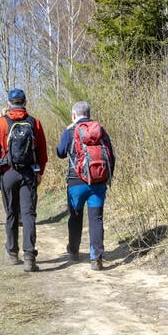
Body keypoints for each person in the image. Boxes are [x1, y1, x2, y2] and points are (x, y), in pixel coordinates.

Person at [0, 88, 48, 272]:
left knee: (11, 213)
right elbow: (42, 152)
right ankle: (29, 257)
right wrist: (40, 172)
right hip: (28, 173)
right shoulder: (35, 123)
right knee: (28, 215)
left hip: (7, 173)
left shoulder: (0, 123)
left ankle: (12, 253)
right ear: (25, 103)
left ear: (9, 103)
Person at [56, 101, 115, 271]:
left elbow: (60, 153)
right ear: (89, 114)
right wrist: (107, 177)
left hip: (76, 183)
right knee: (96, 219)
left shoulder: (70, 131)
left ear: (74, 115)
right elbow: (111, 155)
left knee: (75, 216)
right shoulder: (100, 130)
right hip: (98, 182)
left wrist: (67, 133)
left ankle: (74, 250)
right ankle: (96, 258)